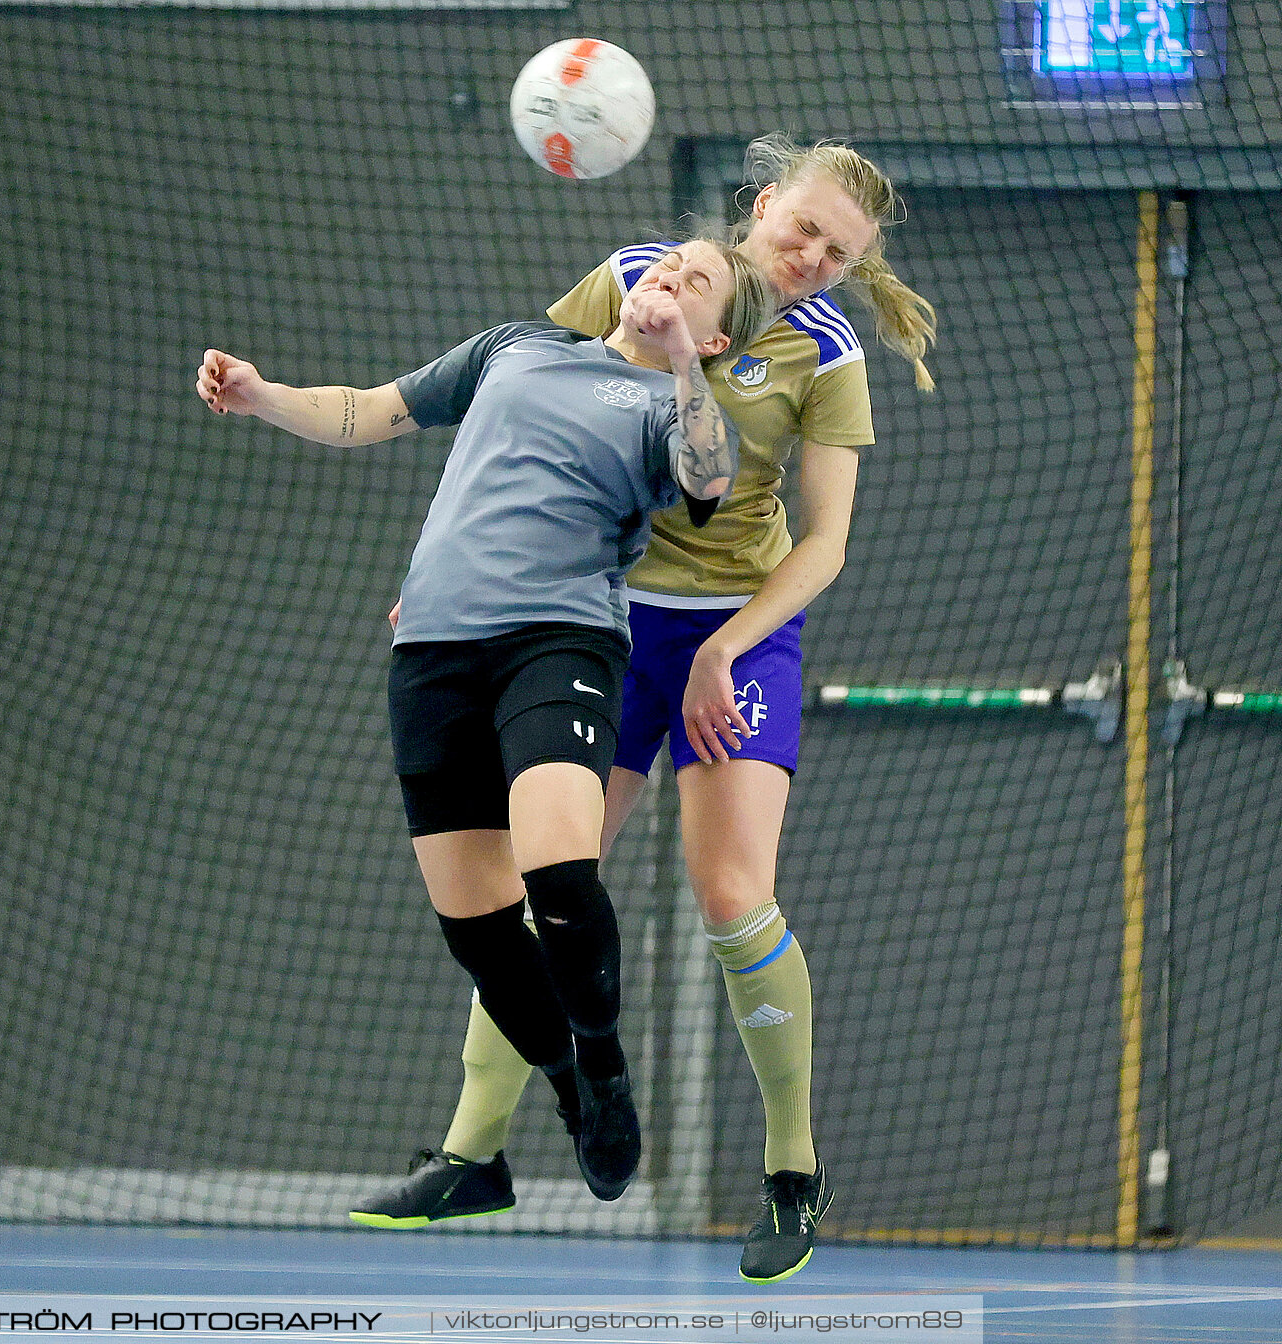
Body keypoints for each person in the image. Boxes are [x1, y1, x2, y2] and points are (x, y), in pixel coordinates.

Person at [348, 136, 938, 1286]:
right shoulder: (640, 273)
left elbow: (825, 544)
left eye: (841, 250)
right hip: (592, 621)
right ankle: (475, 1157)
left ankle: (791, 1171)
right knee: (535, 891)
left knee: (733, 894)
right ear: (763, 207)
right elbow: (515, 408)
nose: (814, 254)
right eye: (803, 226)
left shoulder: (824, 351)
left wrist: (725, 645)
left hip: (738, 635)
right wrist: (459, 564)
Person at [199, 237, 774, 1203]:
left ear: (715, 338)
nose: (670, 277)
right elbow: (369, 411)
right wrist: (262, 394)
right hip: (431, 652)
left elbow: (709, 482)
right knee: (479, 931)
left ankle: (605, 1067)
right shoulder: (516, 346)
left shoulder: (675, 406)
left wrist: (679, 362)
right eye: (668, 263)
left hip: (559, 640)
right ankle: (564, 1092)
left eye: (698, 282)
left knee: (556, 868)